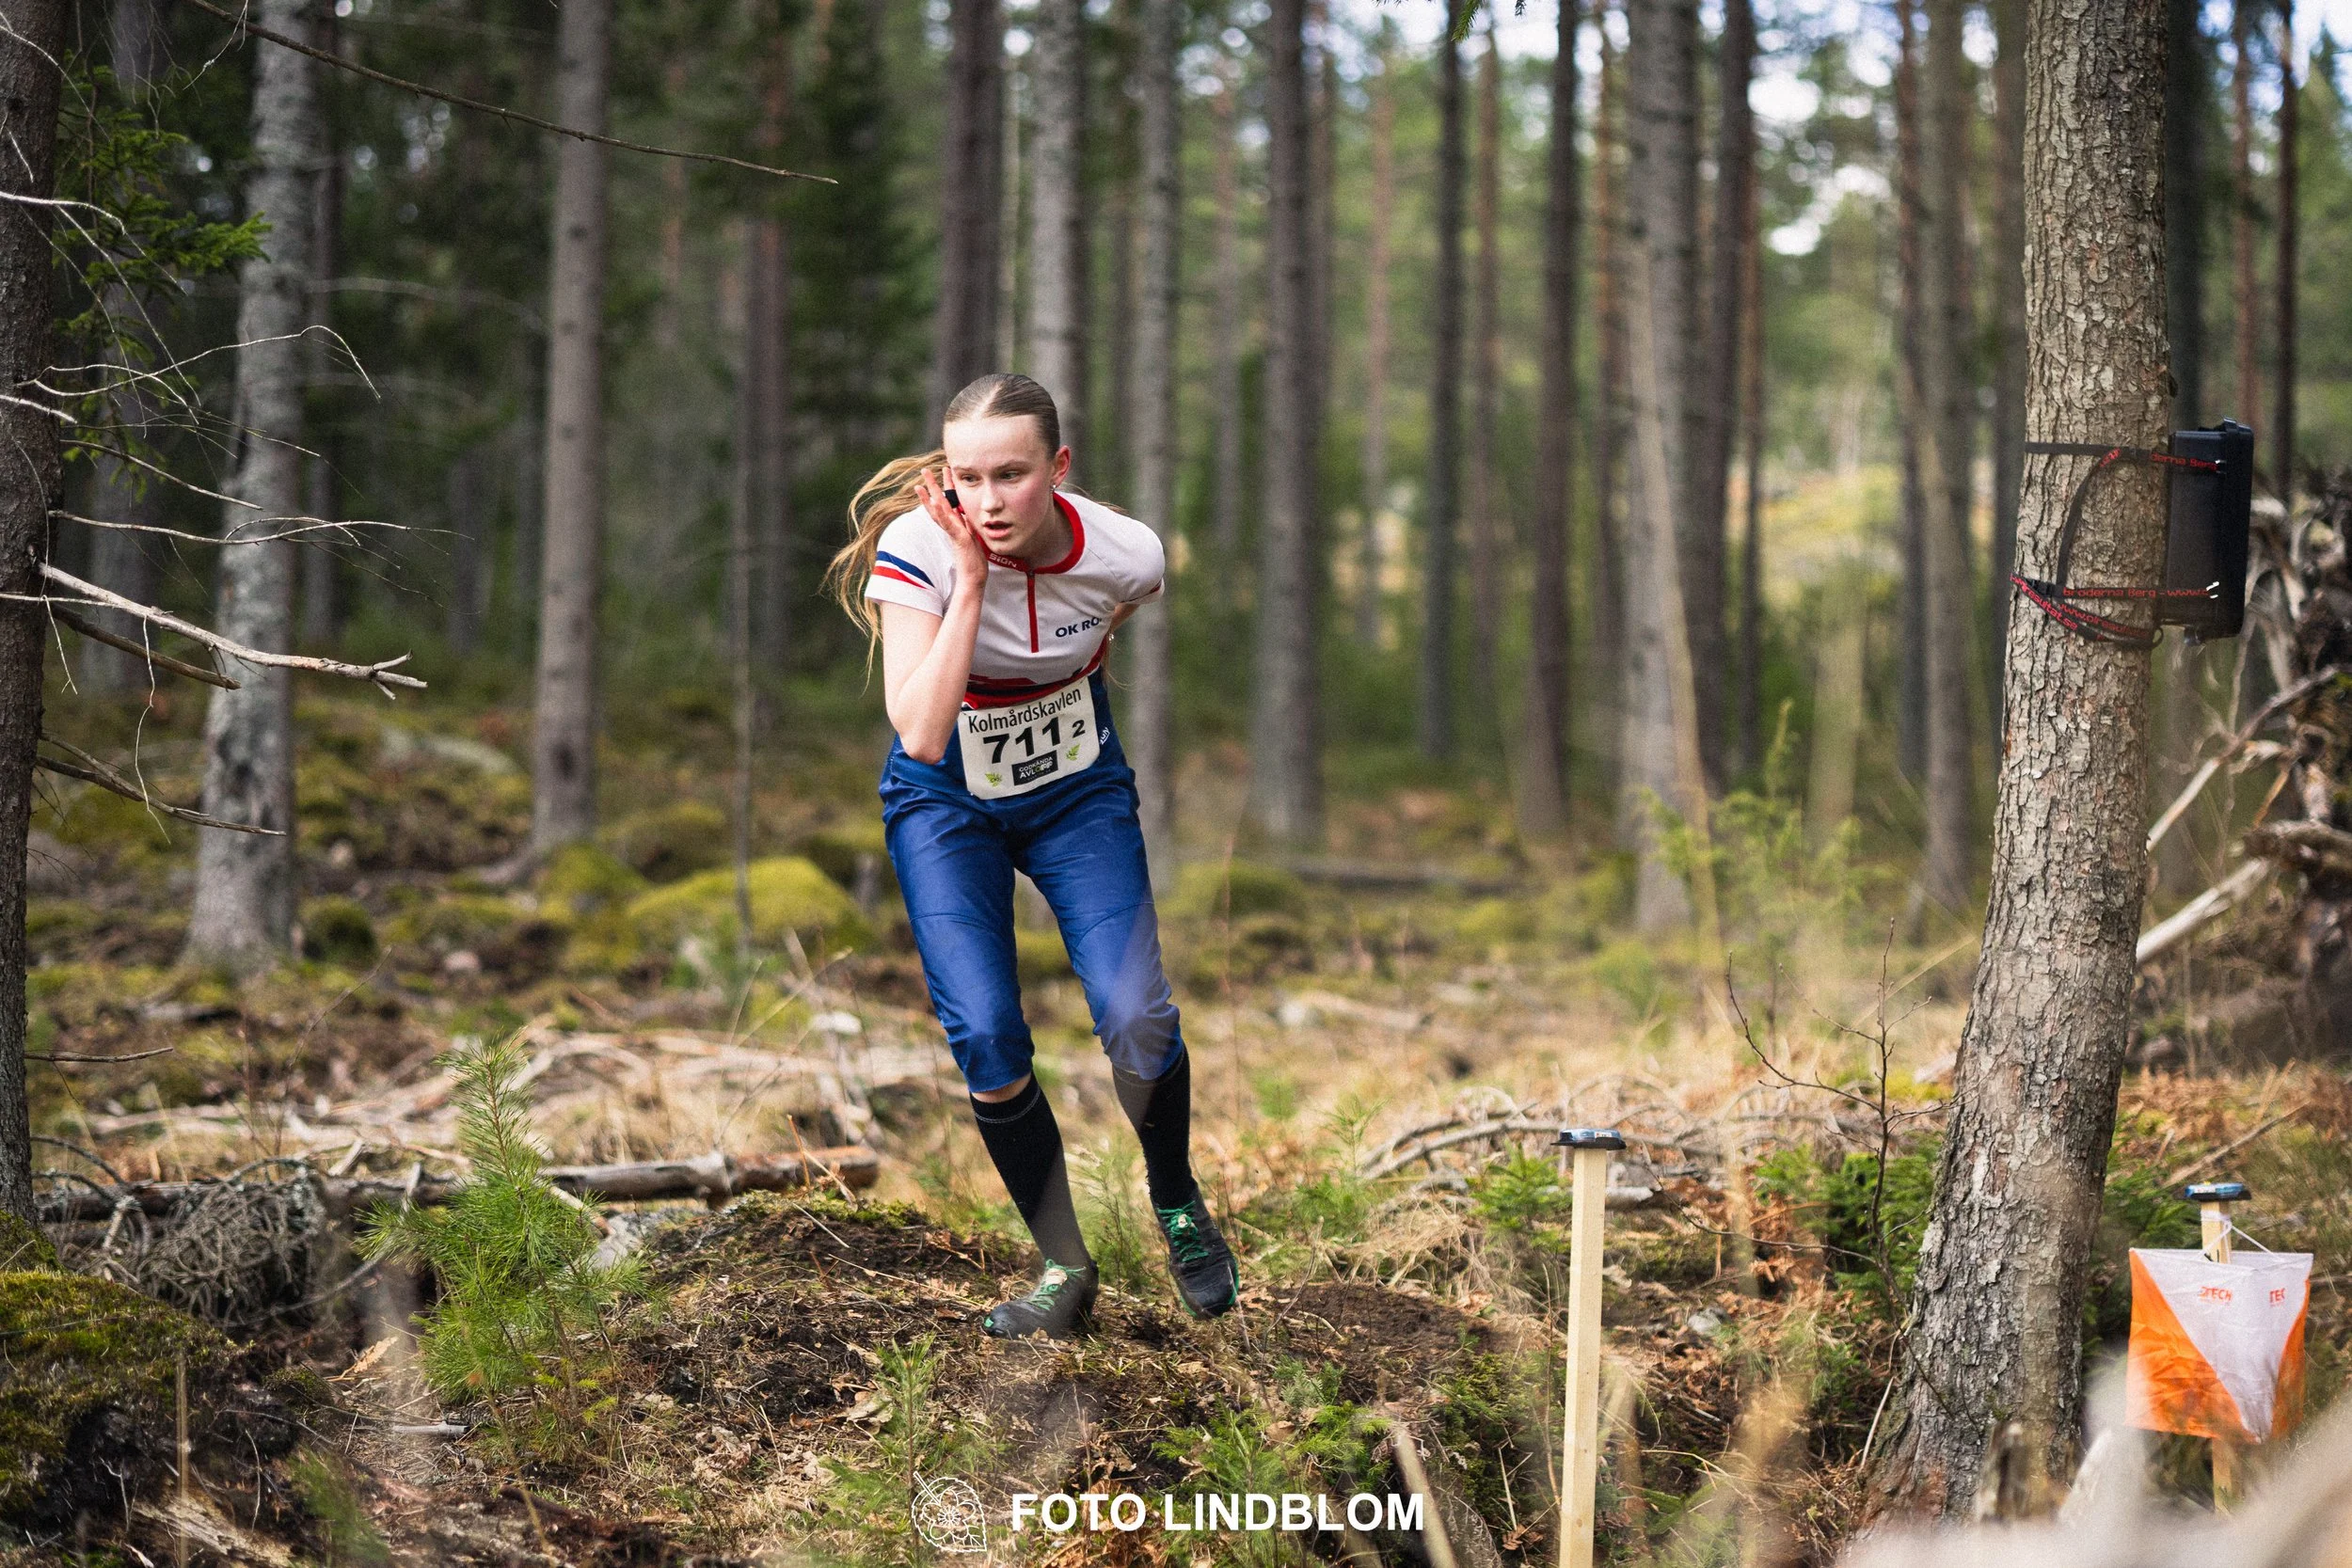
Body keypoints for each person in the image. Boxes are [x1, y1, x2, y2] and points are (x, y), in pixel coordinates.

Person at [826, 372, 1238, 1340]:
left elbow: (1109, 610)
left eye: (1010, 474)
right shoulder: (918, 548)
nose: (988, 500)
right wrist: (973, 583)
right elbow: (921, 733)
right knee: (985, 1033)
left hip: (1075, 789)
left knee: (1134, 1010)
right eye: (966, 477)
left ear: (1058, 467)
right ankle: (1064, 1265)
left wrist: (1061, 676)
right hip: (945, 800)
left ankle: (1177, 1200)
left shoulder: (1127, 551)